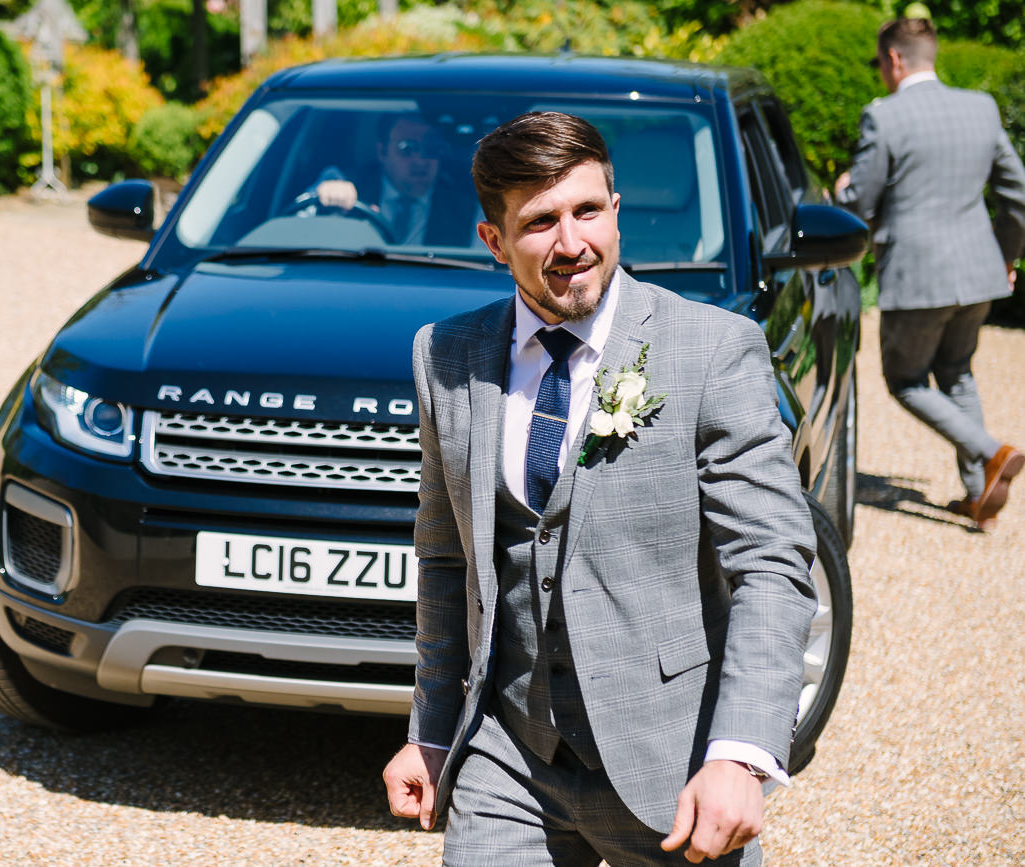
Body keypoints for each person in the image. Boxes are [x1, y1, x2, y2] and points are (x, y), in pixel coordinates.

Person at [382, 111, 817, 865]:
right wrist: (431, 727)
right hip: (509, 756)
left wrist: (740, 753)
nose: (572, 242)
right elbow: (444, 558)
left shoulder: (711, 349)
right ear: (494, 241)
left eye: (587, 210)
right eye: (540, 222)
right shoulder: (444, 356)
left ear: (616, 209)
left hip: (671, 760)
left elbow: (772, 564)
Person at [833, 17, 1025, 530]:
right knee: (957, 370)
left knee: (906, 380)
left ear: (894, 59)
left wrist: (842, 188)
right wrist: (1006, 257)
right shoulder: (980, 108)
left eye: (880, 65)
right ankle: (978, 492)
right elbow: (1017, 193)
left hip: (918, 278)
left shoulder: (884, 117)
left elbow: (861, 200)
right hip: (979, 271)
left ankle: (992, 451)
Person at [310, 112, 477, 246]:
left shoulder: (468, 208)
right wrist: (329, 195)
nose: (420, 160)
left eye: (430, 148)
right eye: (407, 148)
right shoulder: (345, 181)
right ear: (382, 152)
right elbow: (300, 223)